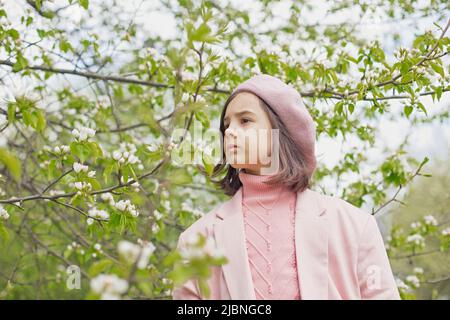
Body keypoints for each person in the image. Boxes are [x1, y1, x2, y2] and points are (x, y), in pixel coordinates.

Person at [172, 74, 400, 300]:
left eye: (245, 121)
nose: (230, 131)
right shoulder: (195, 241)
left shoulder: (356, 227)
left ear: (281, 131)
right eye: (226, 124)